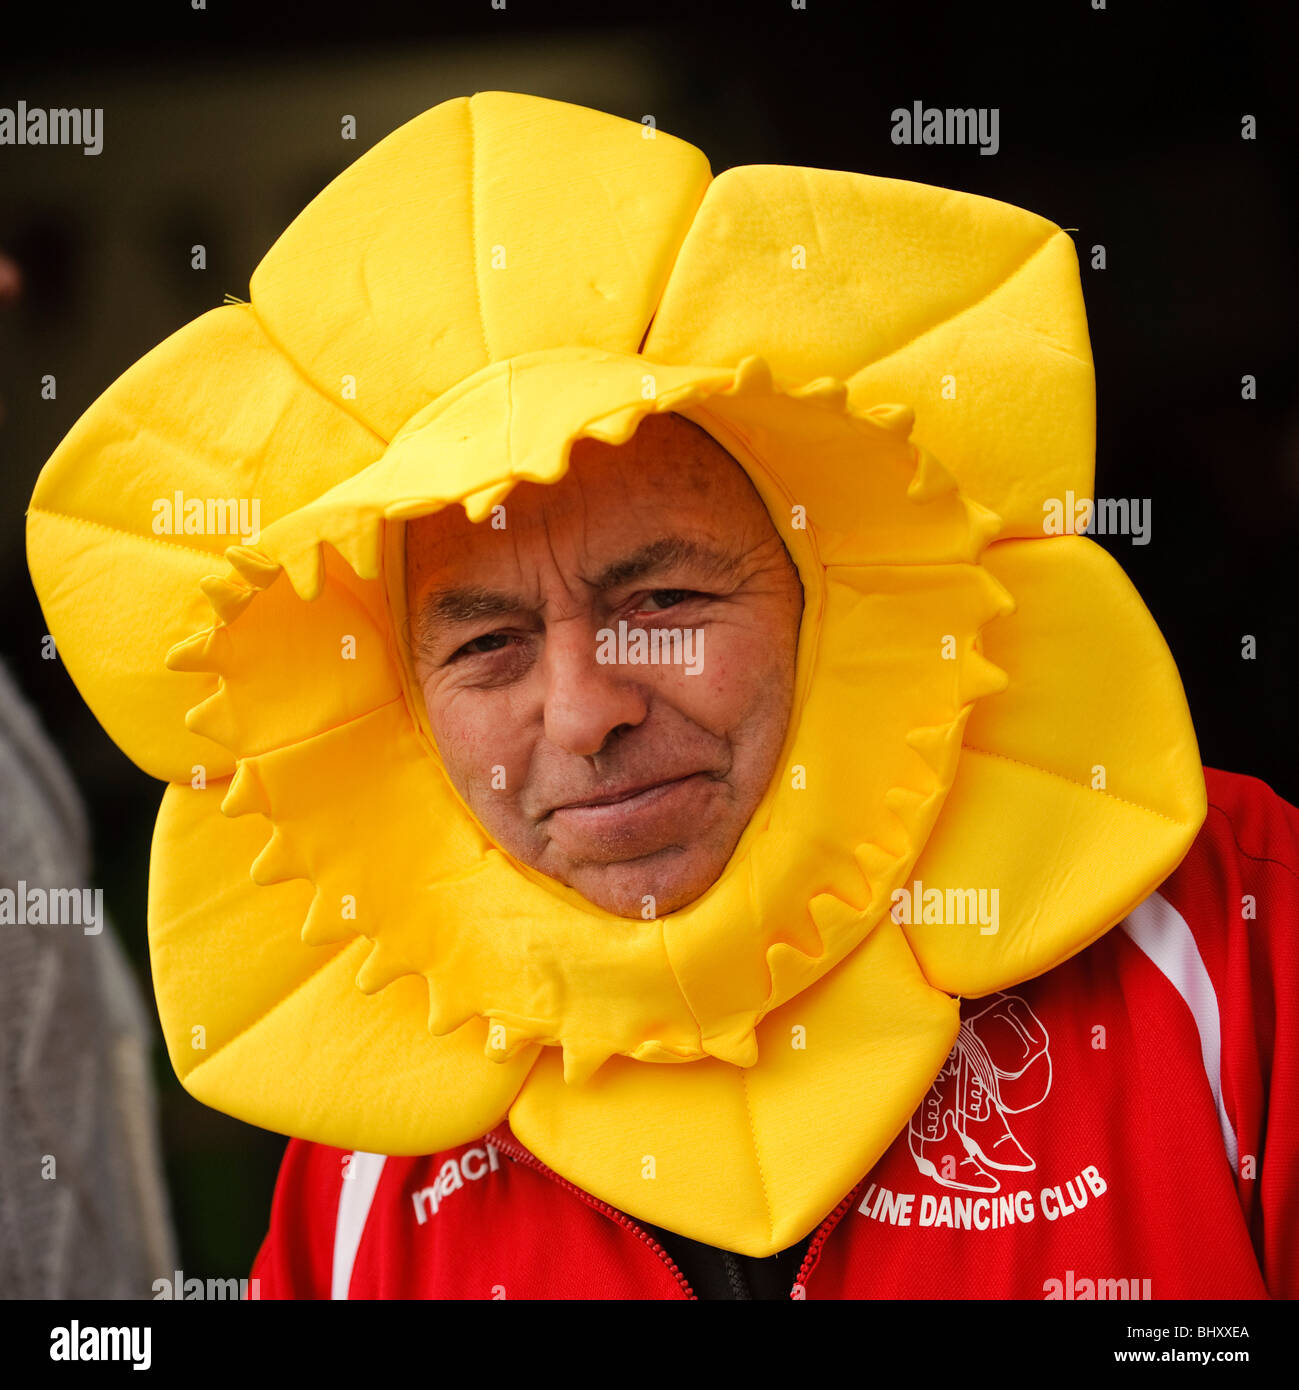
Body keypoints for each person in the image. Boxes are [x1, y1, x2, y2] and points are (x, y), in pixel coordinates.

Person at [25, 91, 1296, 1300]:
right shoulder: (369, 1159)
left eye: (664, 605)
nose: (584, 714)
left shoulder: (1236, 928)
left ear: (833, 591)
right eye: (486, 647)